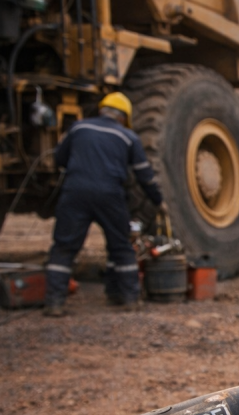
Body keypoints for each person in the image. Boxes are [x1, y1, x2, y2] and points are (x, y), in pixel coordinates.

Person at [44, 92, 166, 316]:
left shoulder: (78, 128)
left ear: (102, 110)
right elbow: (144, 176)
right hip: (110, 195)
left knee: (64, 247)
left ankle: (54, 303)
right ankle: (129, 299)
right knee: (121, 246)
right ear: (123, 117)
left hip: (75, 193)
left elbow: (59, 159)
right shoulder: (128, 137)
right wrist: (158, 200)